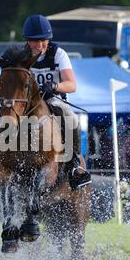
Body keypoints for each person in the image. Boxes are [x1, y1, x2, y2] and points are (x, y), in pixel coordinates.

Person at [22, 14, 92, 190]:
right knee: (0, 117)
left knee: (72, 119)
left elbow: (72, 84)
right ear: (28, 41)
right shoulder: (21, 56)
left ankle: (75, 164)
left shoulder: (58, 53)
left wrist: (54, 86)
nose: (39, 45)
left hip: (53, 99)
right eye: (35, 41)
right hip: (27, 102)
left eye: (43, 40)